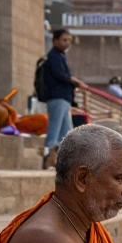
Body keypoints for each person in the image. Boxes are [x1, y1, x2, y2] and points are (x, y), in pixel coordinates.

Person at [43, 29, 83, 168]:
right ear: (55, 41)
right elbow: (60, 75)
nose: (67, 43)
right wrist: (74, 81)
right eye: (64, 40)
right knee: (54, 129)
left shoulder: (60, 56)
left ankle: (64, 162)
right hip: (57, 97)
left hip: (64, 98)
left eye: (68, 40)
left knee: (67, 132)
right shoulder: (53, 56)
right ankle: (48, 158)